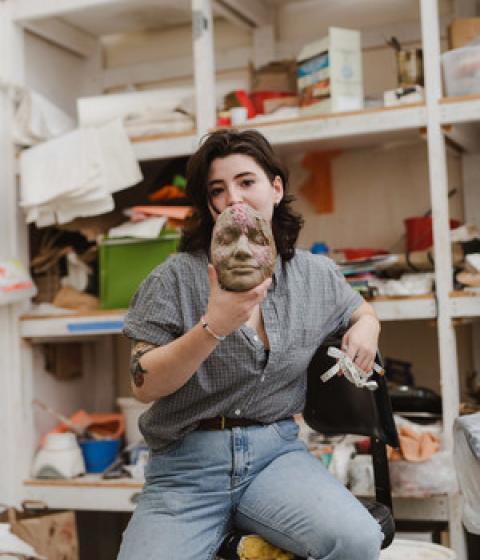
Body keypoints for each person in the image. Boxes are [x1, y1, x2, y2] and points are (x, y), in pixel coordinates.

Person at [117, 129, 383, 560]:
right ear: (209, 205)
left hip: (275, 456)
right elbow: (143, 385)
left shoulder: (315, 274)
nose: (234, 199)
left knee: (356, 540)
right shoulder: (174, 278)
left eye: (247, 182)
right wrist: (213, 326)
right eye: (217, 190)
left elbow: (359, 308)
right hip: (187, 466)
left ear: (275, 188)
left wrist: (368, 325)